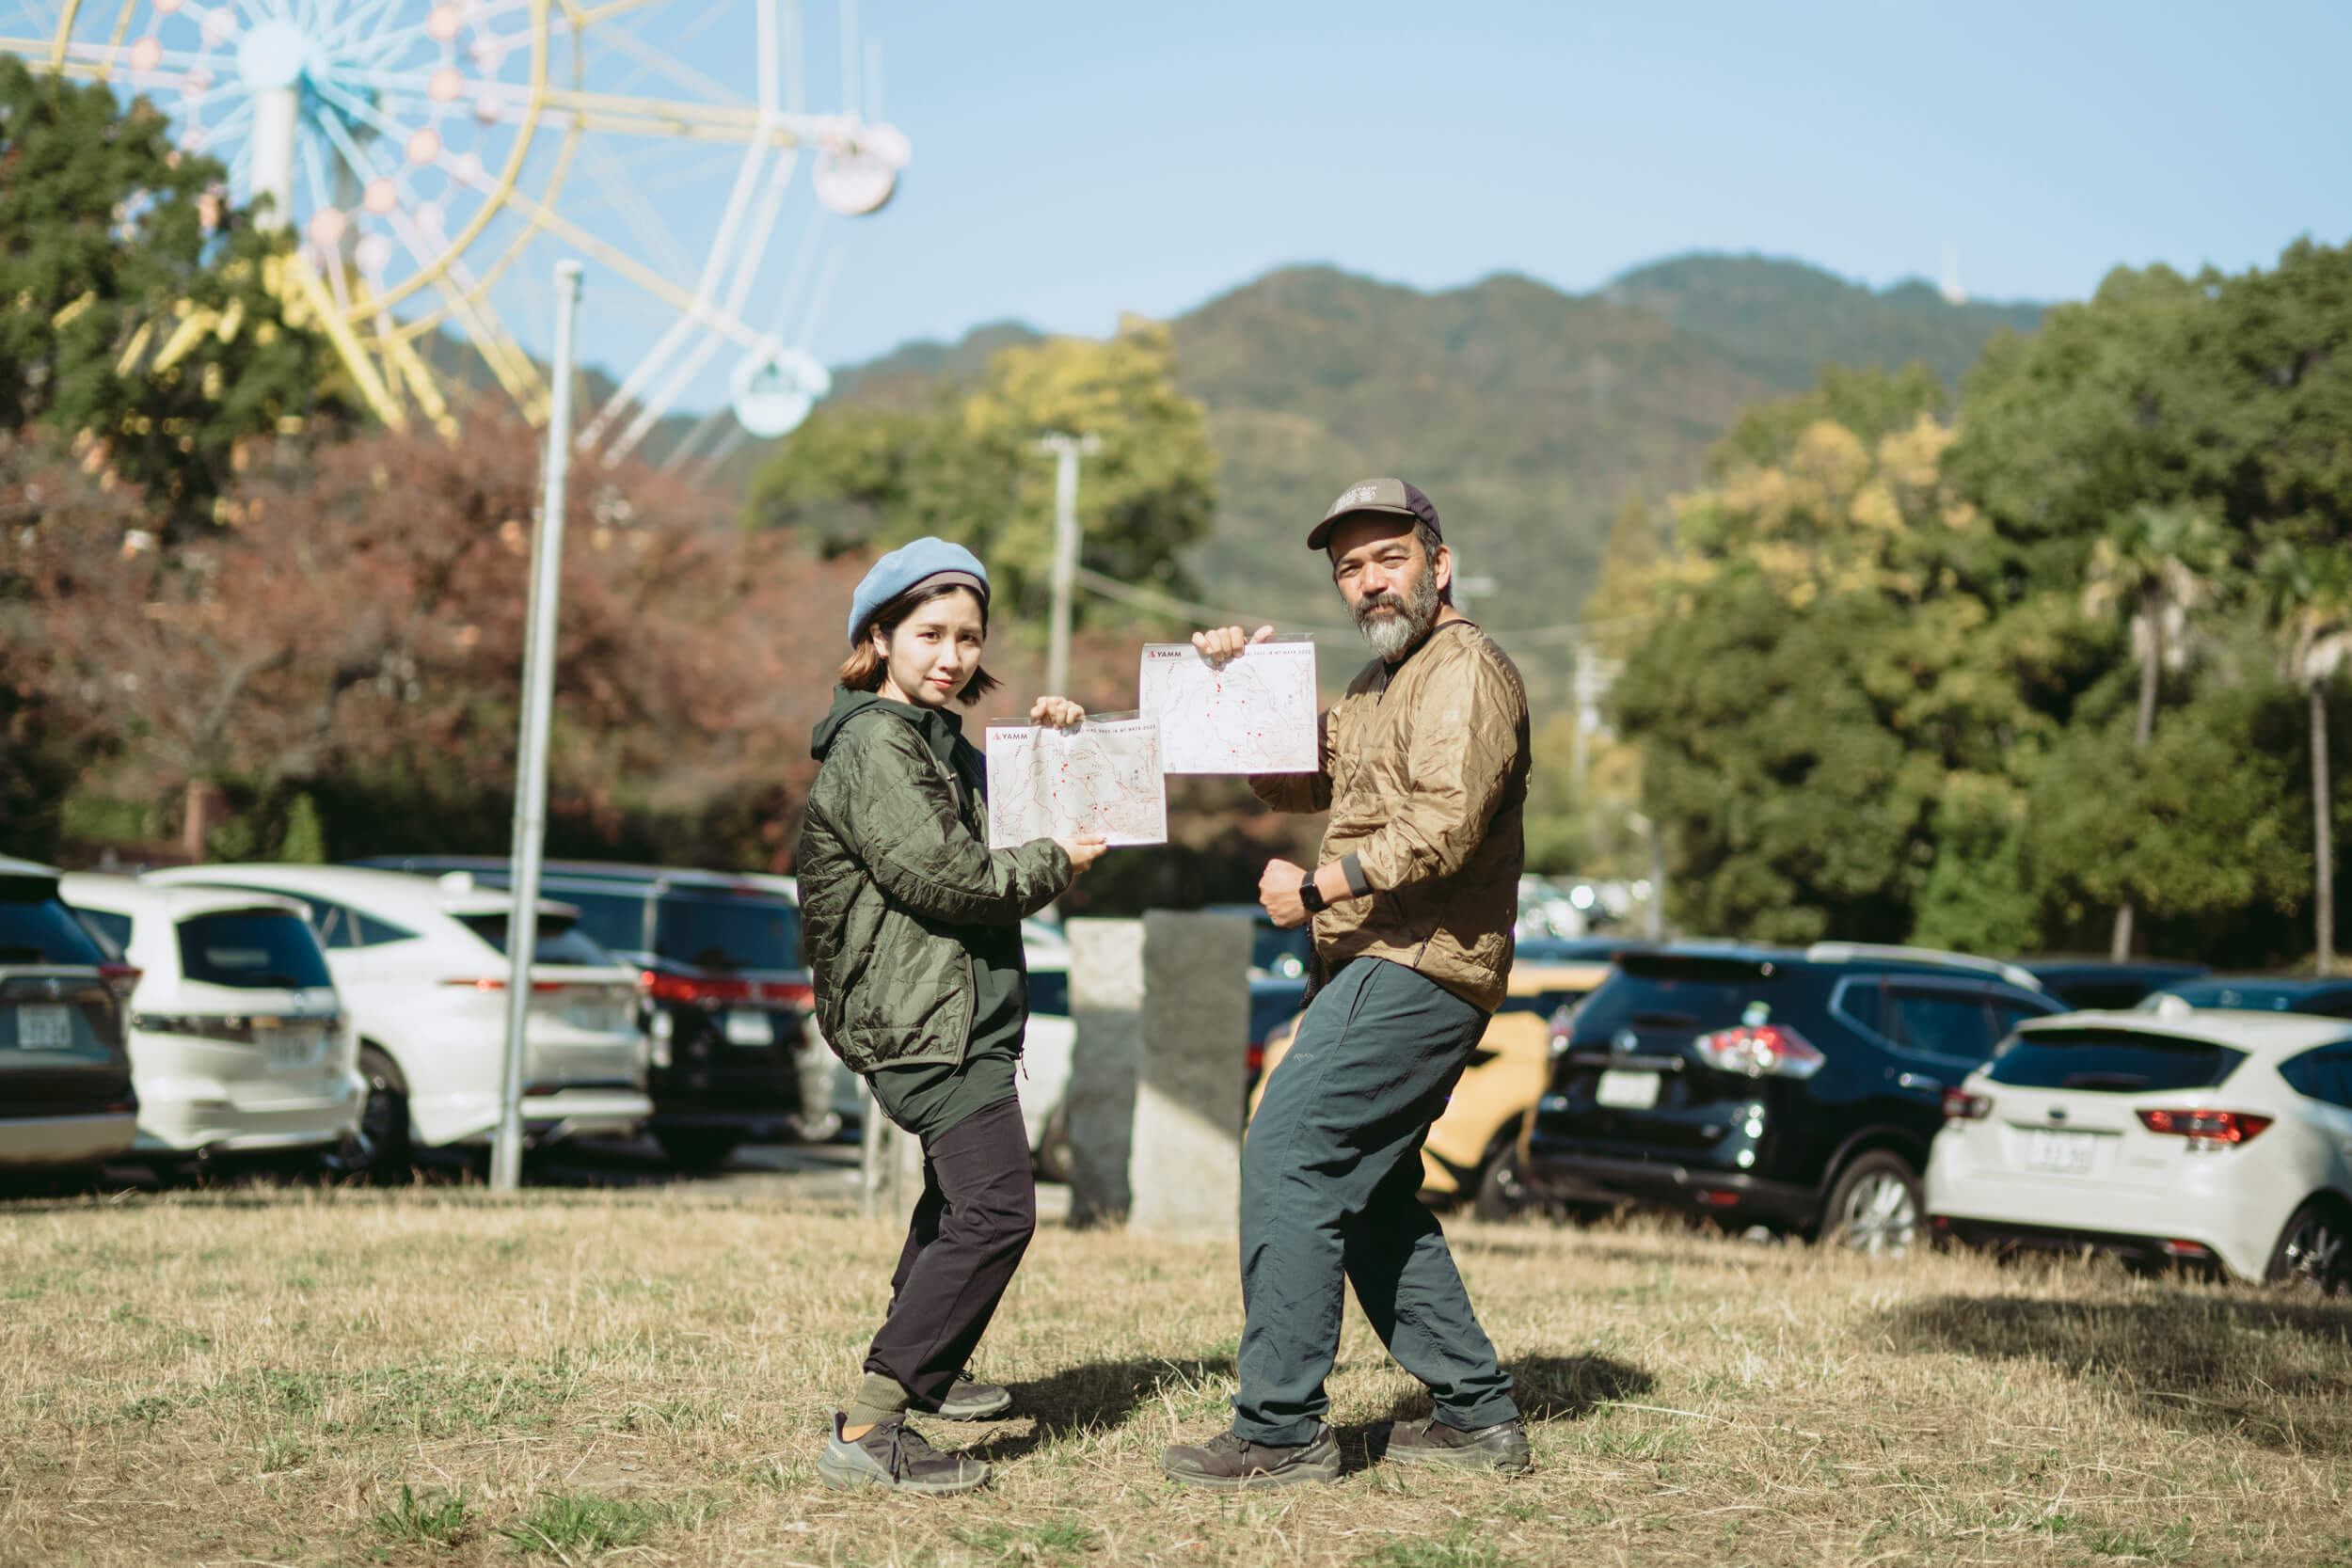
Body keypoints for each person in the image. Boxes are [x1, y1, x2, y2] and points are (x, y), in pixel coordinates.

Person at [1161, 478, 1534, 1490]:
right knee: (1368, 1191)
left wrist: (1322, 882)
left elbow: (1447, 822)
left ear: (1437, 563)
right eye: (1349, 567)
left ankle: (1279, 1432)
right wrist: (1240, 686)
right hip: (1371, 961)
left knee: (1287, 1150)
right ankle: (1476, 1413)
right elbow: (1292, 777)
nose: (1369, 580)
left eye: (1388, 557)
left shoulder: (1464, 670)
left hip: (1418, 962)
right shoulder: (1376, 685)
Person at [797, 537, 1106, 1496]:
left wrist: (1057, 746)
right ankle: (872, 1424)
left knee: (951, 1203)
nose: (952, 655)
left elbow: (1024, 827)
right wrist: (1055, 863)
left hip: (956, 1011)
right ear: (877, 636)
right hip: (918, 1019)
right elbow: (948, 874)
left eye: (968, 636)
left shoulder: (936, 741)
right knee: (996, 1209)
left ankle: (934, 1361)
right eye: (929, 632)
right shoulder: (874, 745)